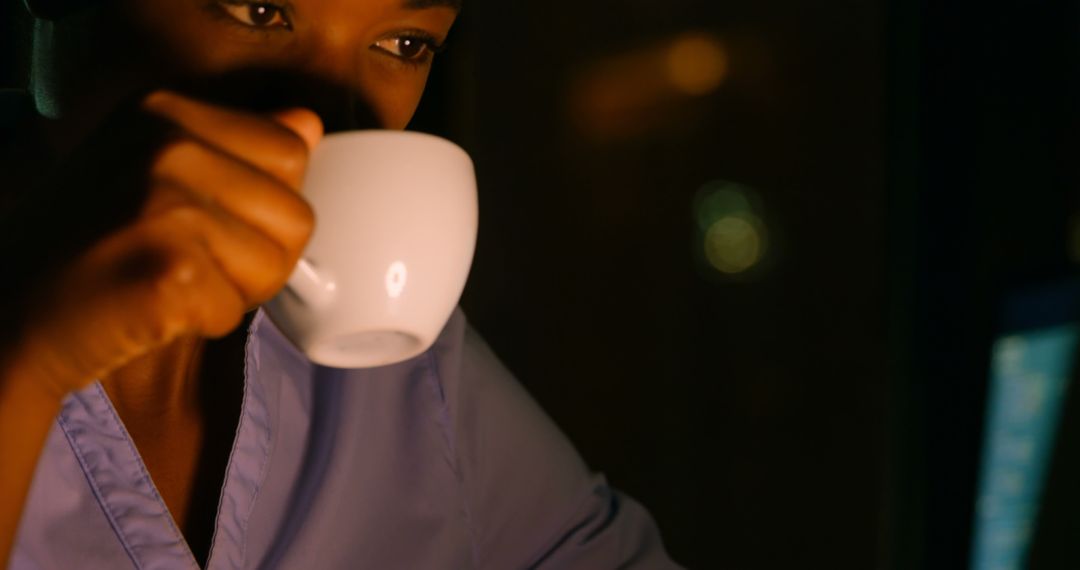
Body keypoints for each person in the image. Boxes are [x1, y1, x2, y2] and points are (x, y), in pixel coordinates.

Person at [0, 0, 680, 568]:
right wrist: (26, 357)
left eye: (405, 42)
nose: (334, 115)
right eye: (260, 10)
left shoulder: (393, 368)